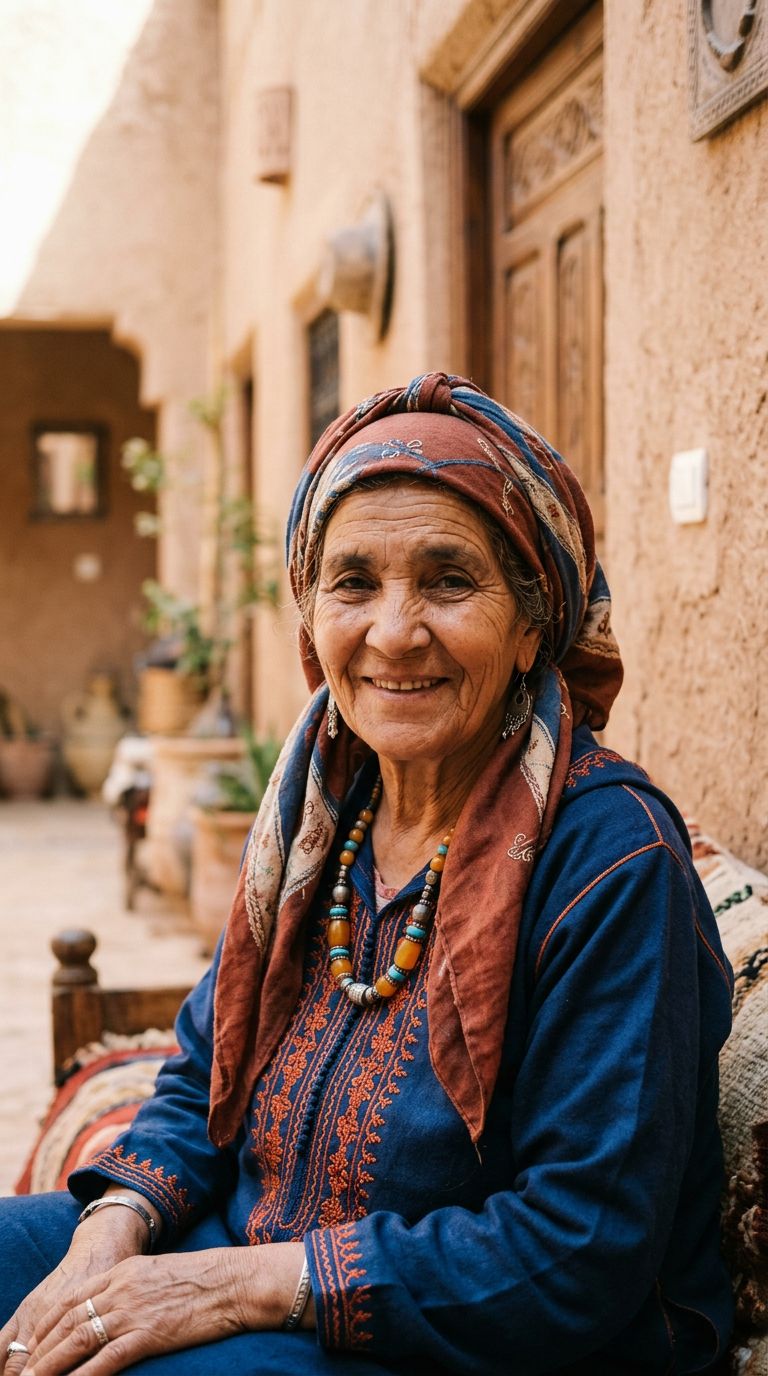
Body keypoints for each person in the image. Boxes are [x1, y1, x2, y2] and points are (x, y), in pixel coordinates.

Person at [1, 372, 733, 1375]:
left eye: (446, 579)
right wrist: (110, 1233)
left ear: (531, 627)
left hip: (467, 1333)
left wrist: (227, 1286)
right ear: (314, 621)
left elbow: (579, 1245)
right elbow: (198, 1076)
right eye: (354, 583)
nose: (394, 631)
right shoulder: (322, 812)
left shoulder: (611, 859)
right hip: (262, 1253)